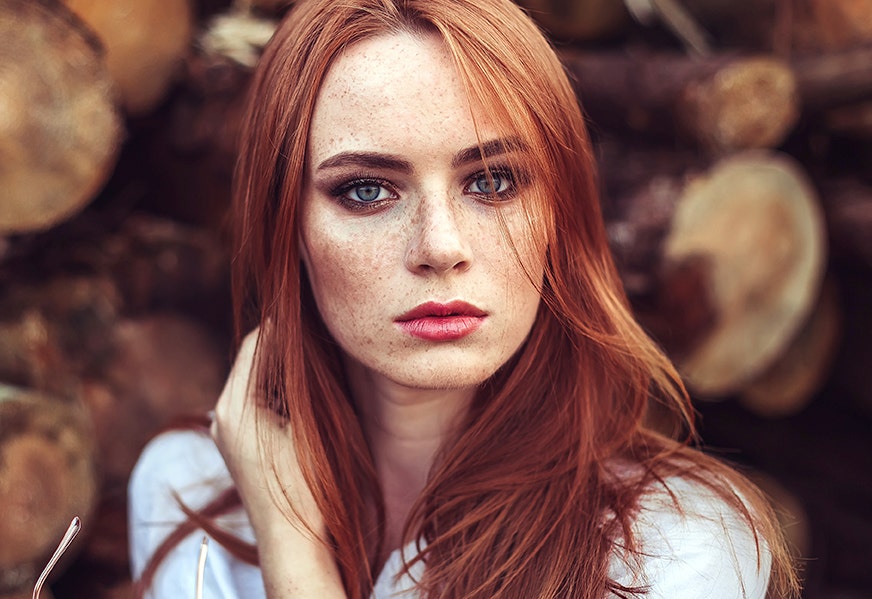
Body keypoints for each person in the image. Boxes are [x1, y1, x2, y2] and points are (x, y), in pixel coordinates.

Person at [128, 0, 801, 597]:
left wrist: (292, 549)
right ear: (290, 227)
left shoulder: (673, 545)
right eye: (367, 189)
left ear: (556, 217)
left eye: (494, 182)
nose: (440, 246)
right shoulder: (188, 493)